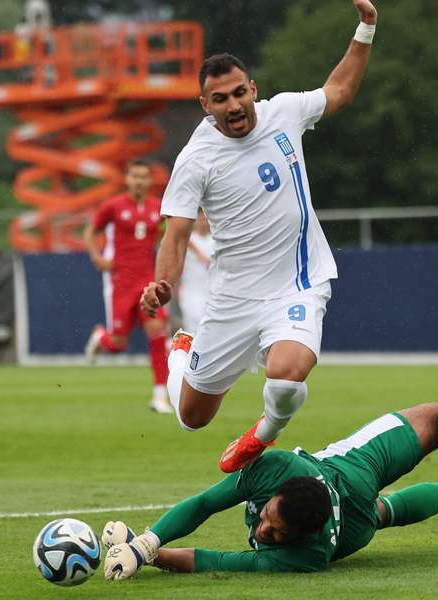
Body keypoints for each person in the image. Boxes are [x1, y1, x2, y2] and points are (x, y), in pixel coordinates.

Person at [141, 0, 380, 473]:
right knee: (192, 418)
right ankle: (180, 355)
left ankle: (260, 436)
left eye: (238, 93)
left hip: (298, 281)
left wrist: (366, 28)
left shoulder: (285, 112)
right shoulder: (196, 158)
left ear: (252, 88)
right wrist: (162, 284)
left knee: (288, 378)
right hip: (233, 299)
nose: (234, 106)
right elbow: (177, 232)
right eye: (221, 99)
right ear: (205, 105)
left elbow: (340, 90)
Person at [100, 402, 438, 578]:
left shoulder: (304, 556)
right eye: (268, 517)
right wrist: (144, 544)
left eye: (274, 529)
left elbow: (210, 560)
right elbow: (206, 503)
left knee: (384, 507)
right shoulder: (275, 469)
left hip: (348, 497)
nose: (264, 529)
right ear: (278, 490)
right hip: (349, 498)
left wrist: (149, 554)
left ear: (300, 535)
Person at [84, 159, 172, 414]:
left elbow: (165, 235)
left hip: (147, 280)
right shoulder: (113, 206)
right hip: (120, 281)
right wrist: (98, 258)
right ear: (127, 179)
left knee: (158, 335)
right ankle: (101, 337)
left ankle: (159, 397)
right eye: (135, 176)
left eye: (144, 177)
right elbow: (90, 232)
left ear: (149, 181)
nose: (139, 181)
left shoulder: (158, 208)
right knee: (118, 343)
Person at [176, 209, 214, 333]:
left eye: (205, 219)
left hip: (212, 293)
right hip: (191, 291)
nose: (203, 222)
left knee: (209, 329)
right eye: (200, 219)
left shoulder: (215, 240)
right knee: (193, 328)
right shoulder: (187, 239)